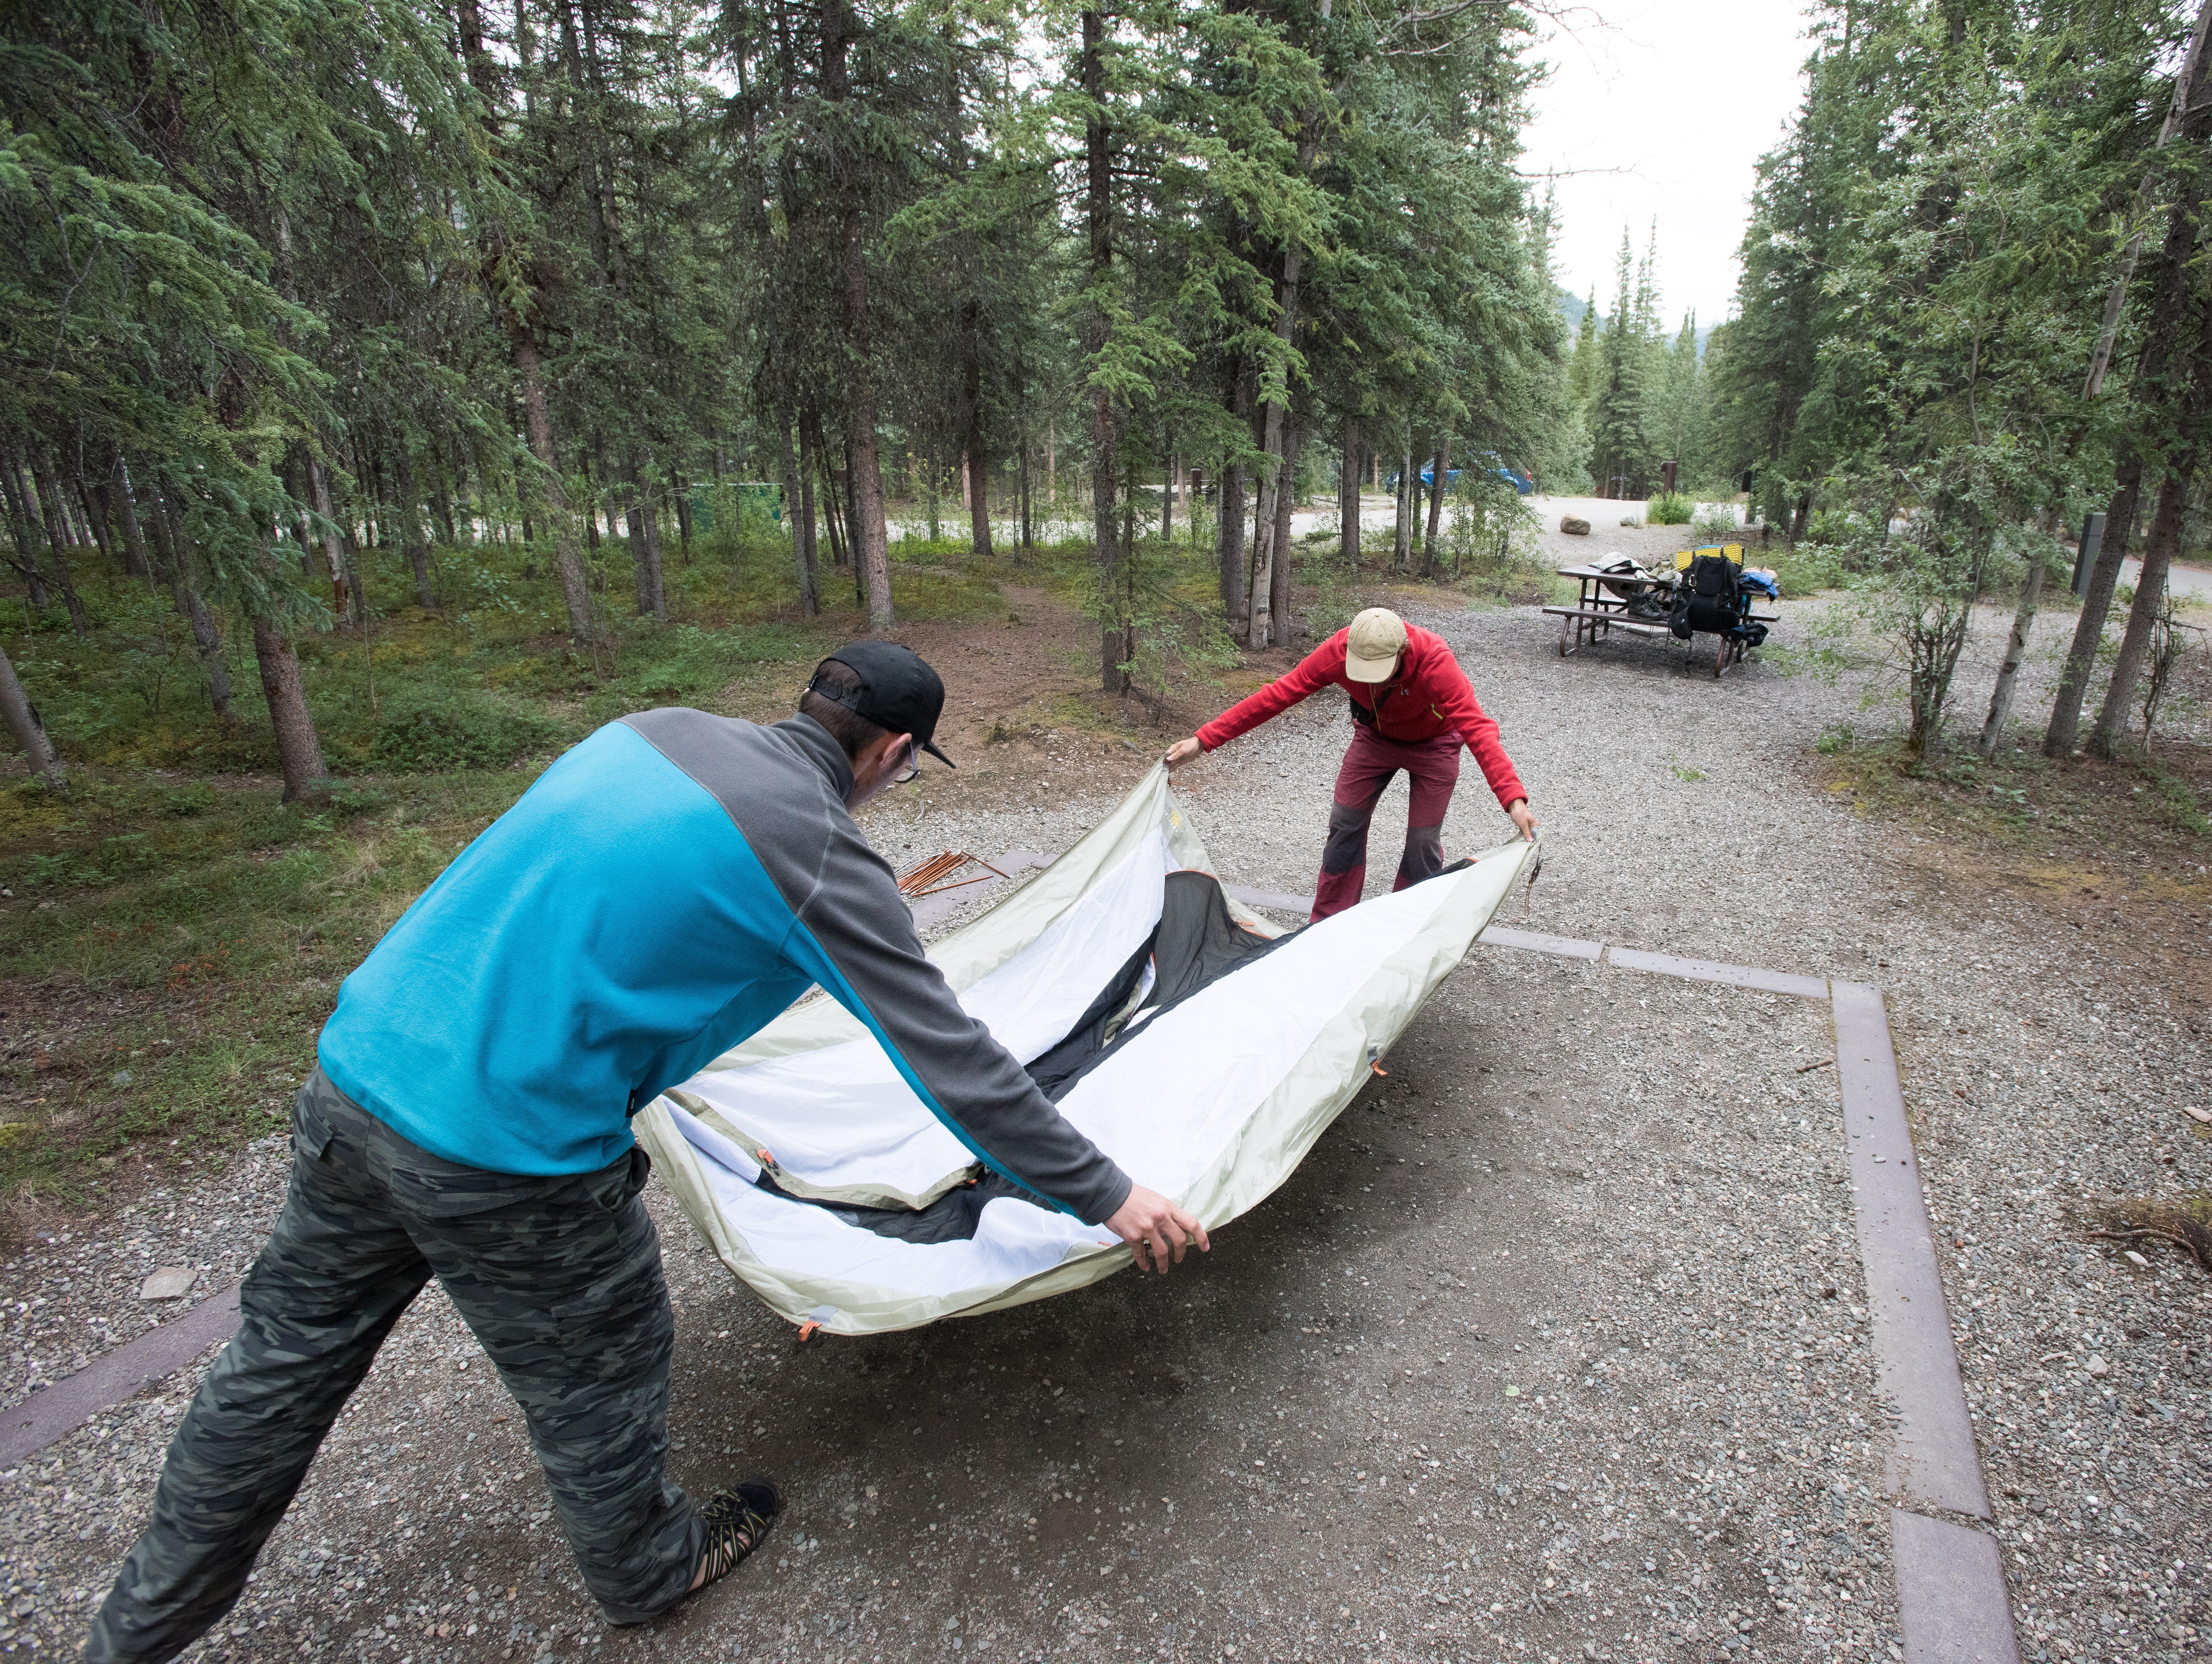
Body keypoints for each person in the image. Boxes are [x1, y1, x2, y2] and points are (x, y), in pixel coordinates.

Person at [88, 642, 1208, 1664]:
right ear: (893, 753)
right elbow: (954, 1063)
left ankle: (139, 1627)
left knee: (279, 1364)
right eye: (904, 774)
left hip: (357, 1071)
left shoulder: (654, 730)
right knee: (600, 1366)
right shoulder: (818, 852)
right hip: (507, 1156)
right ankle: (649, 1567)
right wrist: (1105, 1191)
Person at [1164, 608, 1537, 919]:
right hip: (1374, 739)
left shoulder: (1434, 659)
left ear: (1403, 651)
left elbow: (1478, 728)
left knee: (1423, 840)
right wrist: (1205, 739)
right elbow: (1279, 694)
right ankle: (1329, 922)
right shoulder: (1338, 650)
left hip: (1435, 745)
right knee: (1345, 823)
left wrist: (1513, 800)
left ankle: (1408, 922)